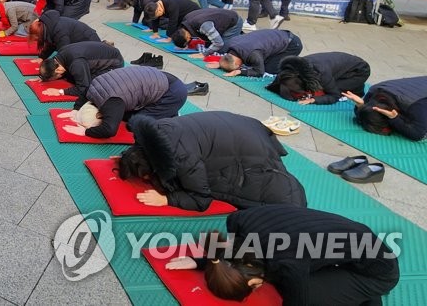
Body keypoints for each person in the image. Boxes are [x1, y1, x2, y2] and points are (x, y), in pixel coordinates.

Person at [167, 206, 399, 305]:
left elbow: (298, 301)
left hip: (378, 272)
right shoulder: (238, 221)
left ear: (254, 281)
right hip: (352, 247)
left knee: (303, 295)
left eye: (256, 287)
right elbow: (232, 249)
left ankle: (370, 295)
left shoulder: (287, 264)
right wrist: (202, 261)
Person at [117, 112, 307, 211]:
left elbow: (201, 199)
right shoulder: (158, 132)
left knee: (235, 185)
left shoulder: (182, 157)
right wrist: (130, 158)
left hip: (255, 153)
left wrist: (166, 199)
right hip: (246, 130)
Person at [63, 65, 188, 139]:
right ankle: (167, 111)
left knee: (134, 124)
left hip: (173, 93)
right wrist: (76, 110)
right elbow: (84, 93)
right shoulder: (94, 87)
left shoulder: (113, 103)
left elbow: (109, 130)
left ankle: (170, 114)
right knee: (129, 112)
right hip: (160, 78)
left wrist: (85, 131)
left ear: (100, 114)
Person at [265, 53, 371, 105]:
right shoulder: (291, 69)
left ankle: (356, 86)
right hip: (345, 65)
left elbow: (334, 95)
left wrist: (313, 99)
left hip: (359, 71)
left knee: (329, 90)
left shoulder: (320, 73)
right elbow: (280, 79)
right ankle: (355, 86)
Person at [345, 76, 427, 141]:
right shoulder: (374, 91)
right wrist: (360, 105)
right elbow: (366, 115)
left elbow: (417, 134)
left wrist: (394, 118)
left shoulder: (415, 106)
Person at [39, 41, 123, 98]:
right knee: (73, 76)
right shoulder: (59, 55)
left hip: (114, 64)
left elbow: (83, 88)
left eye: (56, 77)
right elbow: (50, 66)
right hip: (99, 56)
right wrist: (43, 77)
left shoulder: (76, 64)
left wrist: (60, 91)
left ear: (57, 70)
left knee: (92, 86)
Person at [214, 29, 304, 78]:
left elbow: (260, 72)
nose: (240, 67)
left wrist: (239, 72)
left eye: (238, 66)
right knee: (263, 62)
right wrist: (220, 64)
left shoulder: (253, 54)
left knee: (269, 69)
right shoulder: (231, 44)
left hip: (292, 45)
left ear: (237, 64)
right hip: (279, 35)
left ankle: (295, 63)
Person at [28, 10, 102, 60]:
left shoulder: (59, 30)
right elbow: (51, 45)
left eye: (37, 38)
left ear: (40, 33)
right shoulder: (49, 26)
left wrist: (51, 65)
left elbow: (64, 52)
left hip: (91, 43)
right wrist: (42, 57)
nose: (37, 41)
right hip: (82, 42)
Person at [172, 8, 244, 56]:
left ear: (187, 37)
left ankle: (243, 39)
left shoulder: (203, 26)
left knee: (222, 51)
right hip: (220, 19)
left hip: (233, 22)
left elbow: (219, 43)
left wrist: (203, 54)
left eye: (187, 42)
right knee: (209, 46)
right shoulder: (186, 22)